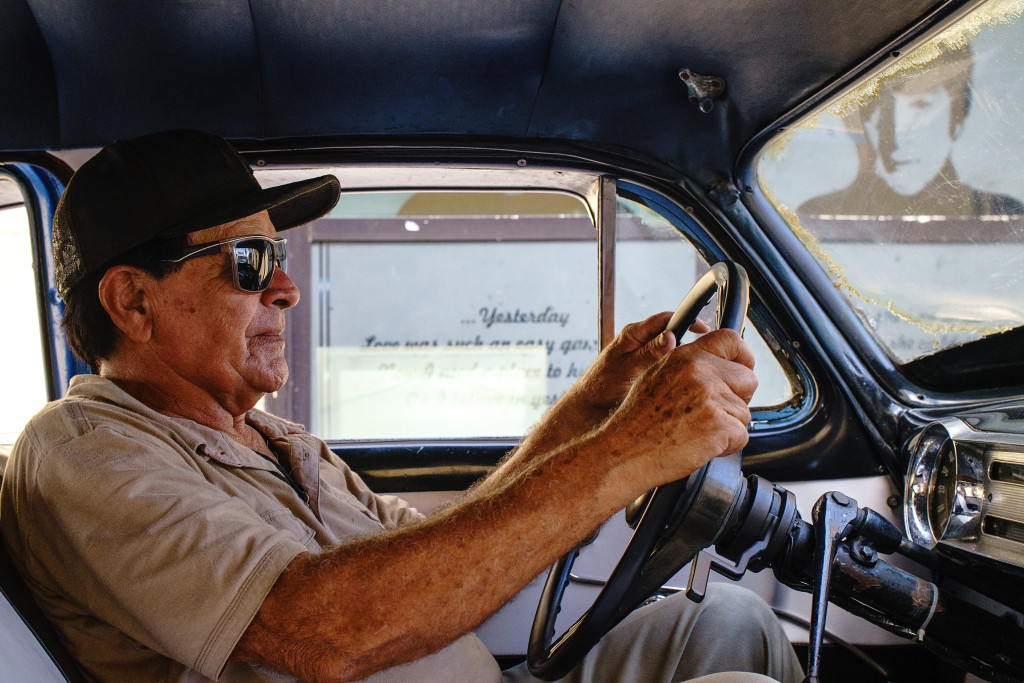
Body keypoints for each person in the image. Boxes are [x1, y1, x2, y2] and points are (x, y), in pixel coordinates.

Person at [0, 130, 802, 683]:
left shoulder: (270, 439)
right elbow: (322, 632)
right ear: (132, 302)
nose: (286, 286)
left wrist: (591, 411)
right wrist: (630, 449)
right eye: (249, 262)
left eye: (276, 256)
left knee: (727, 623)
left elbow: (444, 558)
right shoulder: (83, 454)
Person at [799, 49, 1024, 219]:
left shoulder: (1005, 217)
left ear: (956, 119)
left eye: (920, 108)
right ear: (864, 127)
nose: (896, 142)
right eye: (881, 113)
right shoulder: (819, 217)